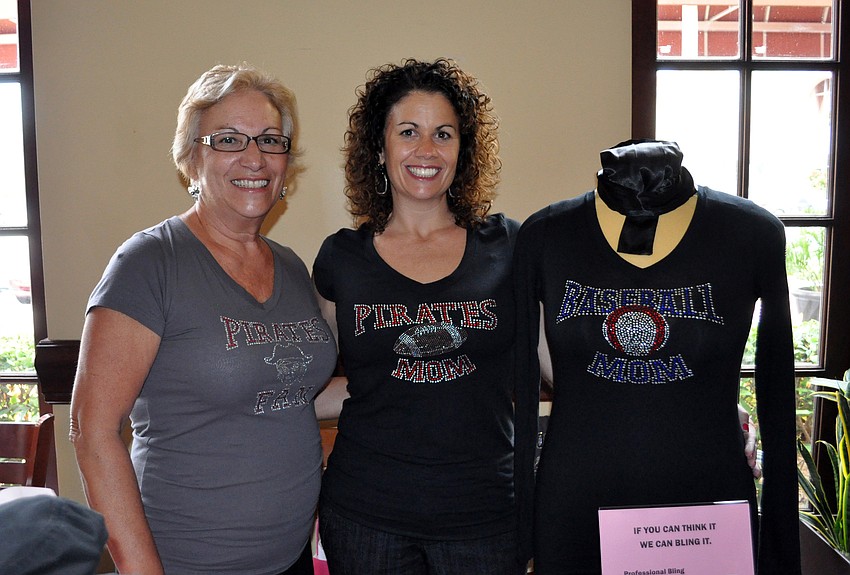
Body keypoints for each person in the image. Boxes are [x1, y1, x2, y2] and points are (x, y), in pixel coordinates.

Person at [70, 63, 338, 575]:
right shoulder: (149, 262)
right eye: (229, 139)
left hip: (290, 557)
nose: (254, 157)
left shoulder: (289, 264)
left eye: (270, 140)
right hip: (186, 561)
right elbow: (92, 429)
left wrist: (395, 384)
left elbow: (284, 388)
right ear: (193, 158)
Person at [513, 140, 801, 574]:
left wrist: (780, 546)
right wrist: (521, 529)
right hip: (577, 500)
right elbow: (519, 374)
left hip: (706, 504)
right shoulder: (545, 236)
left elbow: (776, 381)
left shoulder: (751, 233)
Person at [312, 58, 528, 575]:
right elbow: (312, 380)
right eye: (408, 132)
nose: (426, 150)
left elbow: (559, 365)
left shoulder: (510, 246)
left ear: (464, 148)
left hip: (485, 517)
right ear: (379, 147)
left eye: (443, 134)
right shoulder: (341, 258)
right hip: (366, 517)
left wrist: (669, 408)